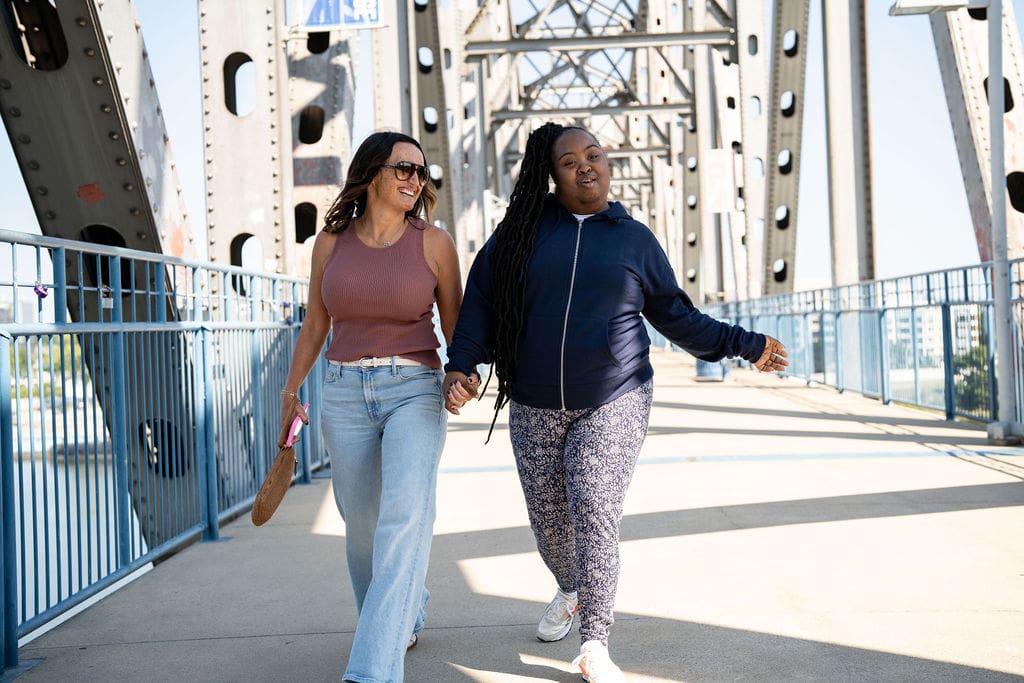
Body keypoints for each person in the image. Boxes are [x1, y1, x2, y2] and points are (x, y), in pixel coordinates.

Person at [441, 122, 788, 682]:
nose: (586, 165)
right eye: (570, 160)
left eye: (594, 154)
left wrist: (746, 345)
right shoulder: (520, 234)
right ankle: (572, 588)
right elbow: (481, 302)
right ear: (551, 176)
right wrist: (462, 364)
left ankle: (595, 642)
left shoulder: (633, 240)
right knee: (549, 525)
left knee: (593, 502)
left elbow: (678, 317)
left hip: (614, 395)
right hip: (533, 400)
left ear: (607, 164)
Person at [278, 131, 463, 683]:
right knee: (360, 526)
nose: (415, 179)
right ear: (371, 173)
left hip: (414, 389)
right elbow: (316, 323)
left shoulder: (434, 244)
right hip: (343, 391)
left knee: (404, 516)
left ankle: (372, 670)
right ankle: (402, 614)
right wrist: (290, 391)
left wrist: (462, 374)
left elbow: (457, 326)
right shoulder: (330, 243)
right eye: (403, 168)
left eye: (421, 171)